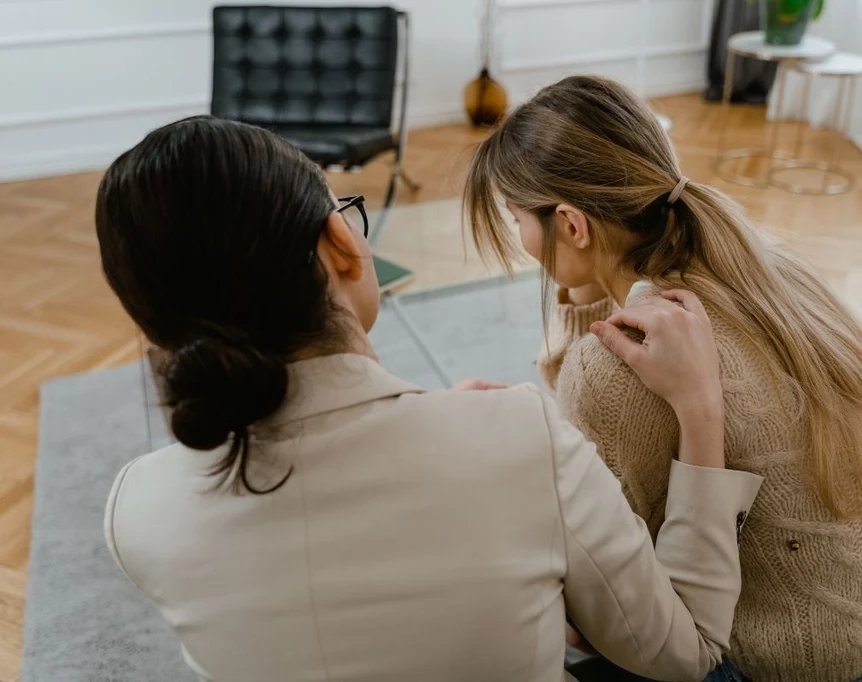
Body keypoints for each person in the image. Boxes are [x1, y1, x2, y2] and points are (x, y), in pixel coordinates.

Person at [97, 115, 763, 682]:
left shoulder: (136, 510)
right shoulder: (520, 436)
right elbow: (686, 653)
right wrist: (701, 411)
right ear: (340, 245)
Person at [465, 75, 862, 682]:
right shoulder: (762, 265)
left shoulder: (612, 365)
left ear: (571, 224)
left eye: (515, 218)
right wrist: (589, 290)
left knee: (523, 585)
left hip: (798, 662)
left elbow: (616, 601)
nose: (521, 241)